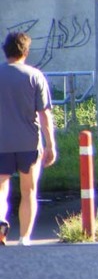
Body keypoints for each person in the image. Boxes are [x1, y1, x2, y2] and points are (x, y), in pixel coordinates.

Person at [0, 32, 57, 246]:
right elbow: (44, 115)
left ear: (5, 50)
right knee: (28, 190)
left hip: (1, 142)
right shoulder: (35, 76)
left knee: (1, 188)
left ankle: (0, 220)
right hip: (29, 143)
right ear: (26, 51)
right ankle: (25, 238)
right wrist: (50, 144)